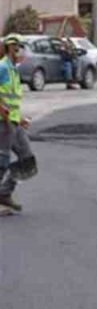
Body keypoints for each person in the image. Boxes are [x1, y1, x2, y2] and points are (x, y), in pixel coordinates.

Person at [0, 34, 36, 214]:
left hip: (13, 122)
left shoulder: (13, 70)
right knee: (2, 160)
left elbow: (11, 100)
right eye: (19, 48)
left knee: (27, 159)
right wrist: (3, 112)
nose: (21, 52)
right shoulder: (2, 68)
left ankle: (4, 193)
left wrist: (19, 118)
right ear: (11, 48)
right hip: (2, 123)